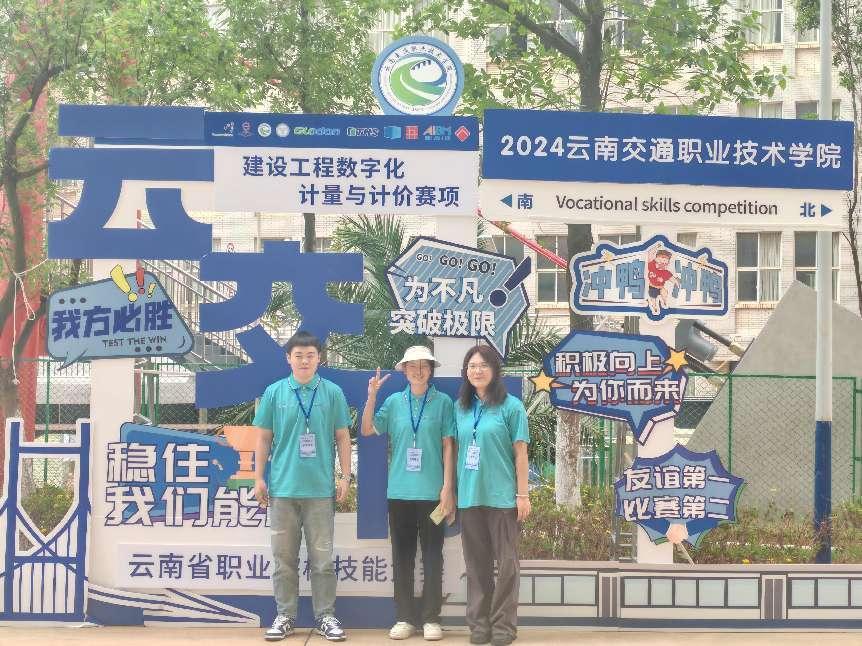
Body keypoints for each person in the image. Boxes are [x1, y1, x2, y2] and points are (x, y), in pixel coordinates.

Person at [253, 330, 351, 642]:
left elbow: (342, 437)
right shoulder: (274, 392)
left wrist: (345, 476)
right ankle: (285, 616)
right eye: (299, 355)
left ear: (319, 358)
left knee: (322, 561)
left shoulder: (332, 392)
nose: (305, 360)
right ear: (288, 359)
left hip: (320, 491)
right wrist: (259, 477)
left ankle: (326, 617)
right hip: (282, 490)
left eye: (310, 355)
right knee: (283, 561)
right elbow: (263, 438)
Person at [361, 345, 456, 641]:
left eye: (424, 366)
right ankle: (404, 617)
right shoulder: (393, 402)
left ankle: (431, 618)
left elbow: (448, 445)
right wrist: (372, 396)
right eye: (412, 366)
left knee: (432, 556)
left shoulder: (443, 403)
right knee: (402, 557)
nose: (418, 371)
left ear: (431, 370)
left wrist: (447, 487)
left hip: (432, 494)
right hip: (400, 492)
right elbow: (367, 429)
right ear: (403, 370)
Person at [454, 345, 530, 646]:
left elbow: (521, 453)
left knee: (507, 565)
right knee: (476, 566)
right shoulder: (460, 407)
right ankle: (479, 625)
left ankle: (503, 627)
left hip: (502, 499)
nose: (477, 370)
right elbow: (454, 450)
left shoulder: (512, 407)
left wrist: (522, 495)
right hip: (470, 497)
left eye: (484, 365)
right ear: (466, 372)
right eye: (472, 366)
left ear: (495, 370)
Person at [646, 248, 680, 316]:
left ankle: (664, 301)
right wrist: (654, 249)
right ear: (656, 259)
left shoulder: (666, 272)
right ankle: (654, 306)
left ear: (667, 263)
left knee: (664, 293)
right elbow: (649, 257)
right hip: (652, 287)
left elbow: (672, 278)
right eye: (660, 260)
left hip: (661, 287)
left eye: (665, 262)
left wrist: (676, 283)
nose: (662, 263)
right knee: (653, 298)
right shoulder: (652, 266)